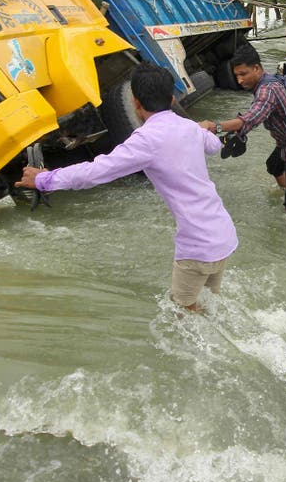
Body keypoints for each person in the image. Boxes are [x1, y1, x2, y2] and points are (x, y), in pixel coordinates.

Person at [17, 63, 237, 313]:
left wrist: (43, 179)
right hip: (223, 235)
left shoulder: (146, 140)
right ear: (172, 98)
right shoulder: (188, 128)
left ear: (135, 103)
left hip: (197, 246)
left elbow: (95, 172)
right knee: (209, 306)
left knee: (183, 315)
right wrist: (201, 127)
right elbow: (214, 146)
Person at [200, 44, 286, 220]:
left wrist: (215, 126)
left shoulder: (267, 90)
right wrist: (236, 133)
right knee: (273, 165)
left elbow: (251, 118)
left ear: (256, 68)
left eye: (243, 74)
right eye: (236, 76)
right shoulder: (267, 82)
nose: (239, 80)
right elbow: (257, 116)